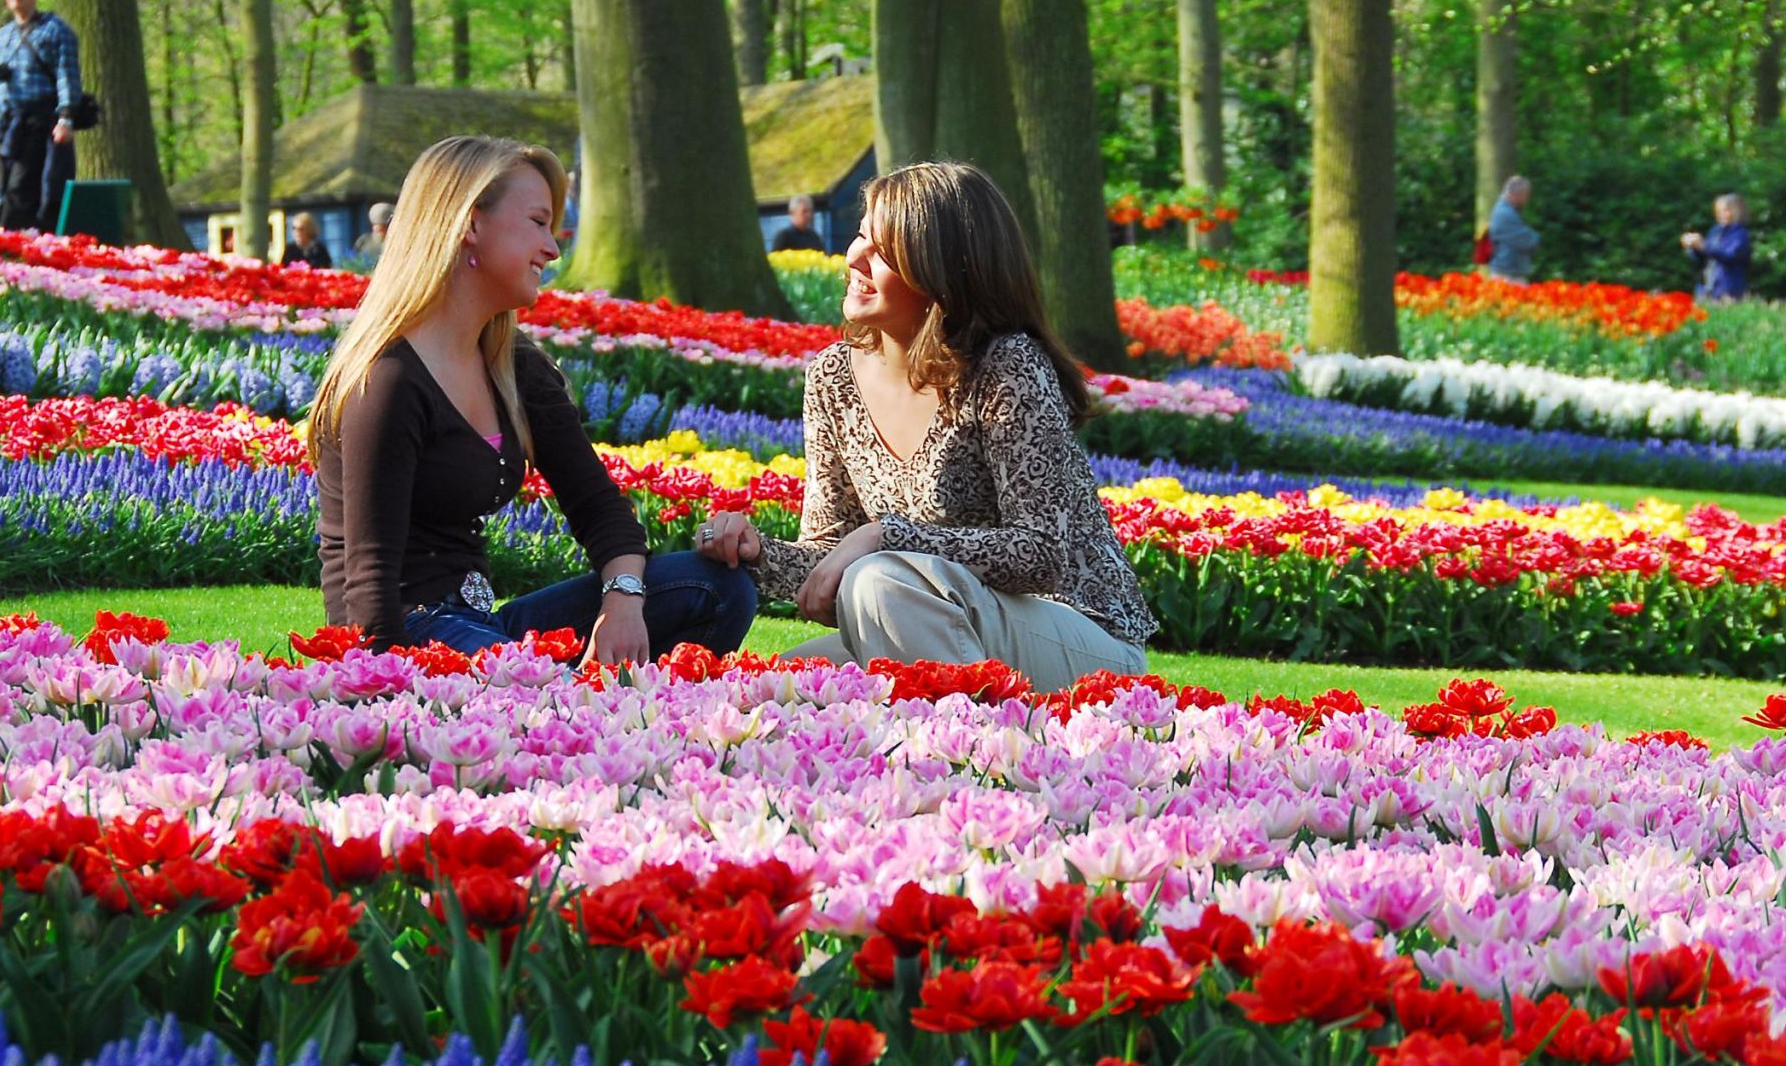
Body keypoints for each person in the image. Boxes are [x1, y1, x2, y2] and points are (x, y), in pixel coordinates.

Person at [697, 160, 1157, 691]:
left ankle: (975, 753)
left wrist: (884, 537)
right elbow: (829, 567)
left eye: (883, 250)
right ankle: (928, 746)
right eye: (861, 237)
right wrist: (752, 552)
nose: (854, 258)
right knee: (775, 692)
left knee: (880, 582)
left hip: (1076, 634)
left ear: (941, 269)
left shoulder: (1006, 365)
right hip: (917, 615)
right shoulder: (833, 377)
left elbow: (1040, 556)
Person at [312, 134, 757, 661]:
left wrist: (623, 600)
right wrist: (383, 692)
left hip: (481, 627)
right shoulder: (386, 380)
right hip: (410, 635)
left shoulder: (512, 366)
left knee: (716, 589)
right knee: (549, 700)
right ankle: (600, 717)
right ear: (471, 223)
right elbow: (368, 581)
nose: (552, 248)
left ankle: (620, 706)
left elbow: (601, 510)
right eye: (538, 222)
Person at [0, 0, 80, 233]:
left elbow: (67, 77)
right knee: (11, 191)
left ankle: (41, 248)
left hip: (45, 124)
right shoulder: (5, 36)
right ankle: (13, 249)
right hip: (13, 125)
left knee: (44, 190)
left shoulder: (56, 31)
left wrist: (66, 118)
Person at [1681, 194, 1752, 299]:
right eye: (1718, 211)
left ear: (1736, 211)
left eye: (1725, 210)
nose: (1721, 215)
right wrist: (1693, 247)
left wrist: (1704, 246)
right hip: (1706, 287)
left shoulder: (1740, 234)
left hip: (1727, 288)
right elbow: (1704, 259)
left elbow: (1729, 256)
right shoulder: (1715, 231)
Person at [1486, 175, 1539, 283]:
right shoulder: (1504, 214)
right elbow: (1528, 241)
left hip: (1510, 273)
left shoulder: (1509, 211)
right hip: (1507, 276)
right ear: (1516, 194)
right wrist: (1535, 238)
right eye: (1526, 195)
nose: (1527, 199)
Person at [348, 201, 392, 272]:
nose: (378, 230)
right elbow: (354, 261)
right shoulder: (364, 241)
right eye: (376, 227)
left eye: (383, 227)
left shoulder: (395, 243)